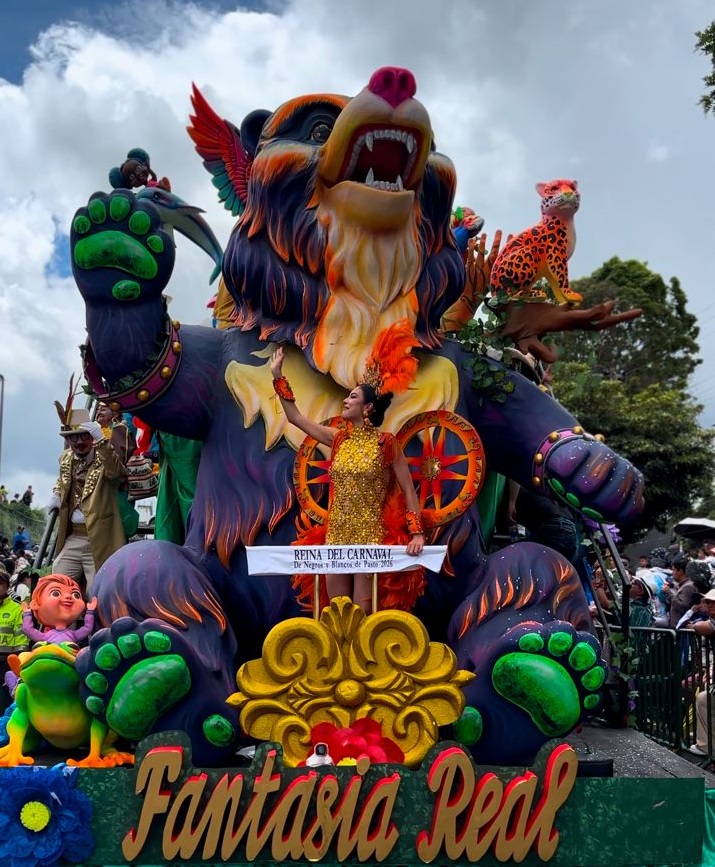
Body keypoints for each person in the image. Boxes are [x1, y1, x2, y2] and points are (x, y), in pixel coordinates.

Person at [269, 325, 425, 614]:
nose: (345, 400)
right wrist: (278, 376)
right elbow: (294, 417)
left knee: (362, 616)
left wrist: (416, 533)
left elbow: (406, 487)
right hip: (337, 537)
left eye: (352, 397)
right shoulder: (338, 438)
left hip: (369, 538)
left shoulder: (385, 443)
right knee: (334, 614)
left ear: (367, 407)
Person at [48, 410, 127, 594]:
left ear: (92, 437)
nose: (79, 442)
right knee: (57, 584)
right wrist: (56, 493)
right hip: (74, 537)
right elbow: (63, 480)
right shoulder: (66, 458)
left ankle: (99, 622)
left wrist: (102, 441)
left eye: (84, 436)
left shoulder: (105, 456)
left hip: (100, 537)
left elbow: (116, 474)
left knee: (98, 591)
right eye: (73, 438)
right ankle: (64, 624)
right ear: (68, 441)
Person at [21, 573, 96, 646]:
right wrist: (27, 614)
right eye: (56, 593)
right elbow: (28, 630)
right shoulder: (46, 637)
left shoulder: (73, 635)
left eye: (76, 595)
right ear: (35, 604)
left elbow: (87, 628)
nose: (68, 596)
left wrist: (90, 611)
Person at [0, 570, 27, 713]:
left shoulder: (16, 609)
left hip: (7, 662)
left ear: (7, 587)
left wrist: (19, 658)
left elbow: (21, 636)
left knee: (4, 698)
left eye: (0, 583)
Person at [666, 555, 697, 629]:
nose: (672, 573)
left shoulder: (688, 586)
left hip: (682, 629)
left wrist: (669, 593)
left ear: (680, 571)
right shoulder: (682, 585)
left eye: (673, 570)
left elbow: (682, 607)